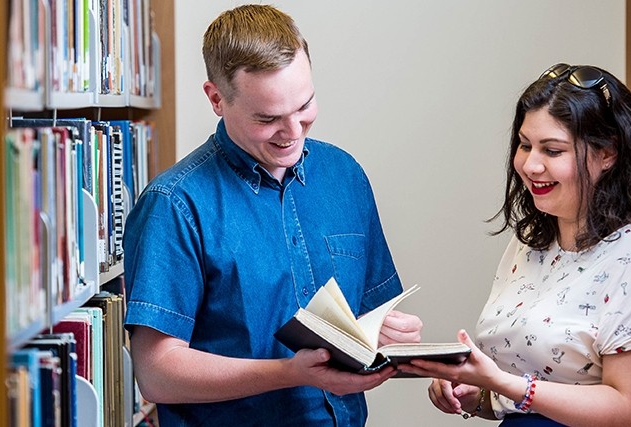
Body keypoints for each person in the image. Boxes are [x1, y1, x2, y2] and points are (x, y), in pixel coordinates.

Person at [123, 5, 423, 426]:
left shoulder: (345, 176)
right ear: (216, 99)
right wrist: (287, 374)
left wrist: (391, 336)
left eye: (305, 106)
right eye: (267, 118)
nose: (294, 132)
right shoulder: (174, 205)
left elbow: (371, 315)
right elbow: (156, 374)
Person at [399, 64, 631, 427]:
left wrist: (501, 383)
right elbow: (531, 389)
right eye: (525, 145)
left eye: (553, 150)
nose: (530, 164)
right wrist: (477, 393)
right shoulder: (533, 242)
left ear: (607, 154)